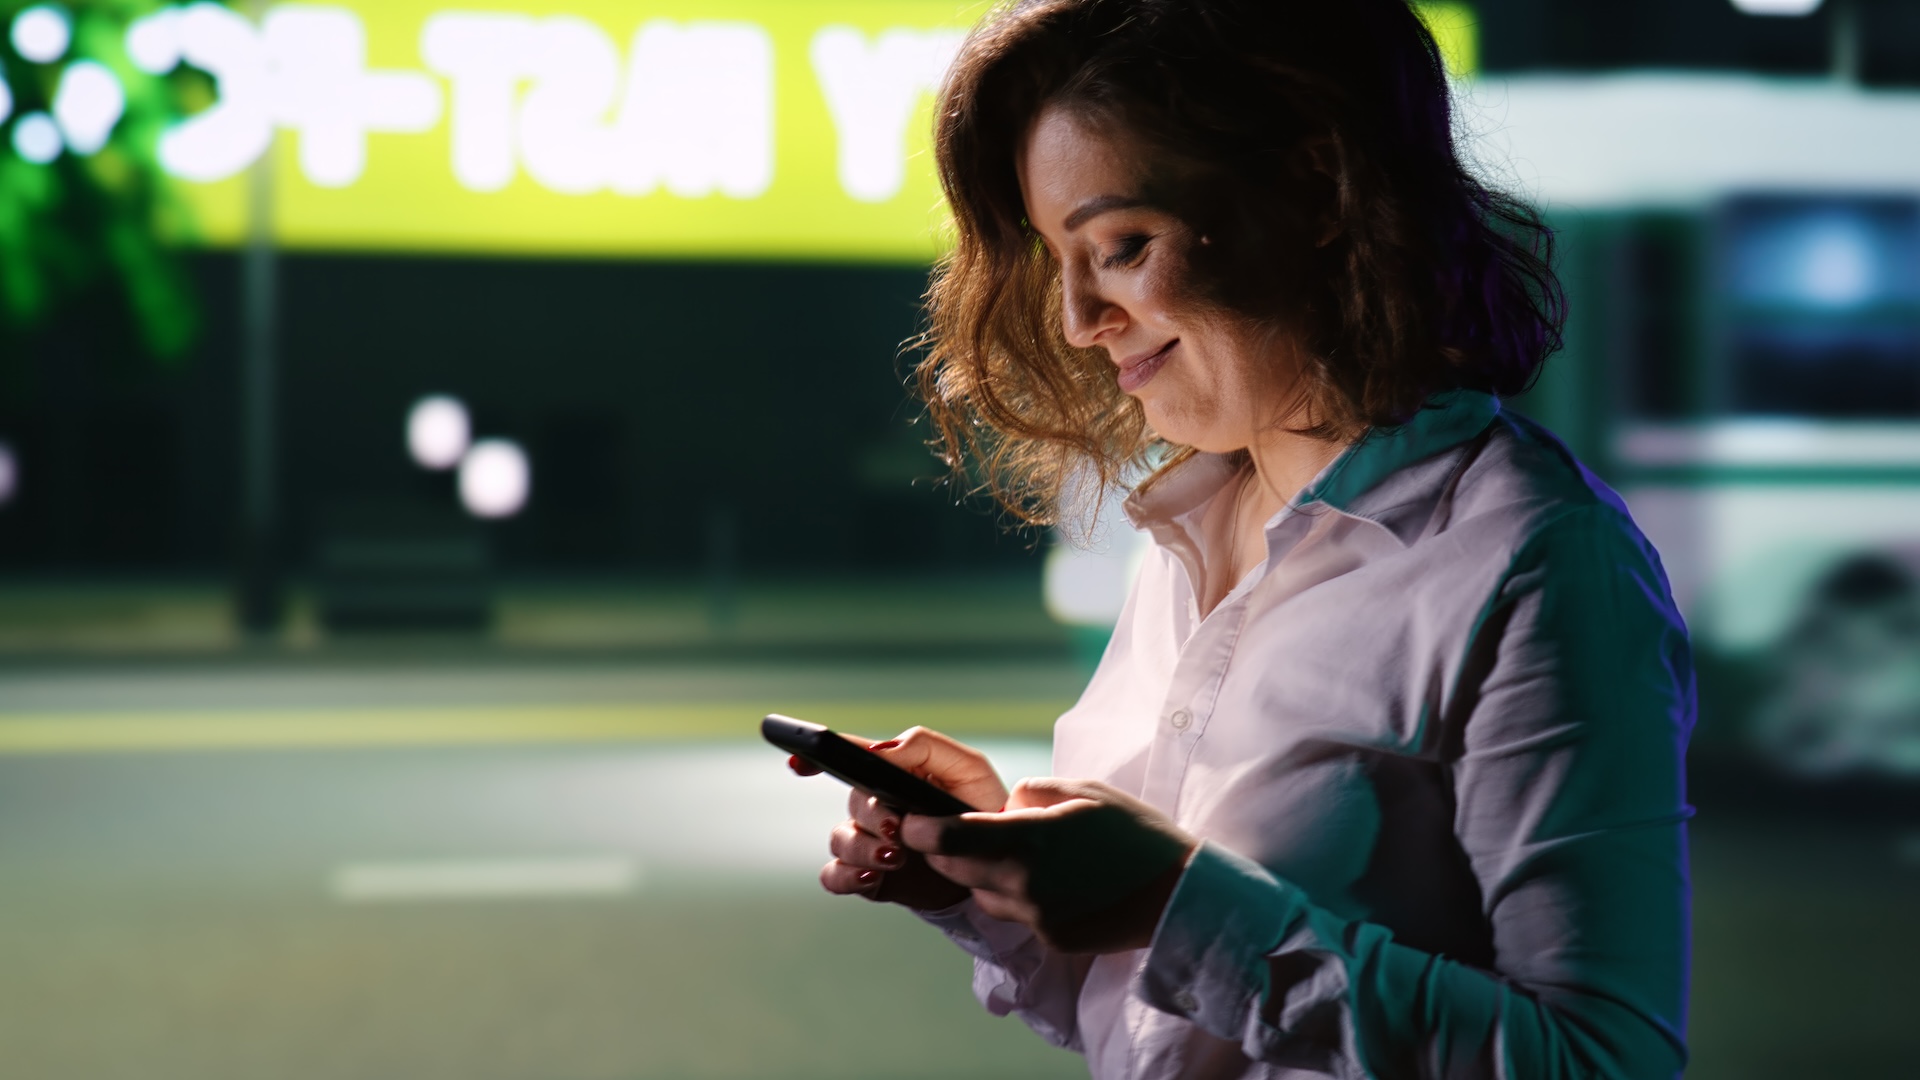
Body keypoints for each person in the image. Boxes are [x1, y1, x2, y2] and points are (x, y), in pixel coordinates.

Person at [796, 1, 1694, 1077]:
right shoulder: (1176, 541)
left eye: (1122, 246)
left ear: (1317, 188)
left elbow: (1601, 1057)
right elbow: (1161, 1021)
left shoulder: (1538, 559)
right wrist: (995, 881)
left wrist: (1174, 905)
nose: (1080, 318)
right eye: (1057, 261)